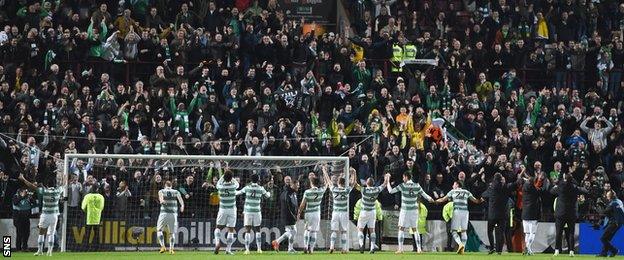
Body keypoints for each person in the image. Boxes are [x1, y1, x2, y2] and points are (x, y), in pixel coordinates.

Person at [386, 172, 434, 253]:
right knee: (415, 229)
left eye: (403, 177)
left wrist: (387, 182)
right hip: (414, 210)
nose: (402, 179)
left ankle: (400, 249)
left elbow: (391, 191)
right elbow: (424, 195)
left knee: (401, 228)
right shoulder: (417, 185)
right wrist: (430, 199)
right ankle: (419, 249)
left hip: (405, 210)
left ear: (405, 177)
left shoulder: (403, 185)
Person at [19, 174, 65, 256]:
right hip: (54, 215)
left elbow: (33, 187)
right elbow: (63, 184)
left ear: (47, 184)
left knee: (41, 233)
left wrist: (23, 179)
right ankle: (50, 252)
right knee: (51, 233)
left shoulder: (44, 191)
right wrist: (64, 178)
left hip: (45, 215)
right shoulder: (57, 191)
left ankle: (40, 251)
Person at [435, 181, 483, 254]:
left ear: (457, 185)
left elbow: (443, 199)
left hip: (457, 212)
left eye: (454, 184)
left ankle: (460, 244)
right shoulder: (466, 192)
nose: (452, 185)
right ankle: (462, 248)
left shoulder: (453, 191)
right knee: (464, 231)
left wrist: (435, 201)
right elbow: (476, 201)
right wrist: (482, 199)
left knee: (454, 231)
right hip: (465, 213)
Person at [550, 173, 588, 257]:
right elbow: (585, 191)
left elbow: (551, 191)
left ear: (565, 179)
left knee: (559, 233)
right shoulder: (574, 187)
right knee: (571, 233)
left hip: (561, 213)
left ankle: (556, 250)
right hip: (571, 214)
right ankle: (571, 251)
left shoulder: (560, 186)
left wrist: (557, 184)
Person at [481, 173, 517, 255]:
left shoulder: (491, 188)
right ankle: (499, 251)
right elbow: (514, 185)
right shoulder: (505, 187)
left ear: (494, 178)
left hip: (492, 215)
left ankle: (492, 247)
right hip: (503, 215)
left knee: (490, 231)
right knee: (501, 233)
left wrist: (488, 202)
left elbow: (483, 195)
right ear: (501, 179)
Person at [236, 174, 271, 254]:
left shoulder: (247, 187)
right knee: (258, 230)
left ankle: (247, 250)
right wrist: (268, 192)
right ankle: (259, 249)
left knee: (247, 230)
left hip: (248, 211)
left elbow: (238, 193)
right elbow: (268, 196)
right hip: (257, 211)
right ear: (258, 180)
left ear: (251, 180)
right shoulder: (261, 188)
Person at [297, 168, 330, 254]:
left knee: (307, 229)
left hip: (308, 213)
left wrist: (299, 213)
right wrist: (324, 171)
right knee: (314, 231)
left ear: (311, 183)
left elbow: (302, 204)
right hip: (316, 213)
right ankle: (311, 249)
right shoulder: (321, 191)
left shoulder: (307, 192)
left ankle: (305, 246)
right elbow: (327, 184)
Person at [357, 175, 389, 254]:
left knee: (360, 229)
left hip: (364, 211)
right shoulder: (376, 189)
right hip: (372, 212)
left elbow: (355, 185)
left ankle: (361, 244)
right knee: (372, 230)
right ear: (373, 183)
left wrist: (353, 174)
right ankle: (372, 247)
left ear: (366, 183)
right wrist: (387, 177)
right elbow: (384, 184)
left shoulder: (363, 190)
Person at [326, 168, 355, 254]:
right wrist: (353, 173)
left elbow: (329, 182)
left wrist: (325, 171)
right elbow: (353, 183)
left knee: (334, 230)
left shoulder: (334, 190)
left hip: (335, 212)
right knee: (344, 231)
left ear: (338, 183)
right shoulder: (346, 190)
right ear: (344, 183)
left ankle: (331, 247)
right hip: (344, 212)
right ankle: (344, 249)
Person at [520, 172, 549, 255]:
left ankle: (528, 250)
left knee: (527, 233)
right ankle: (528, 247)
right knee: (532, 233)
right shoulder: (534, 190)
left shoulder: (524, 188)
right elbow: (542, 190)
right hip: (533, 214)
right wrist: (545, 182)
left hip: (525, 213)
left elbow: (527, 181)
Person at [213, 170, 239, 255]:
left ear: (224, 178)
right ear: (231, 178)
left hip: (222, 209)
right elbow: (237, 184)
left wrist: (223, 175)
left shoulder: (220, 187)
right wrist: (232, 177)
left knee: (218, 227)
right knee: (231, 230)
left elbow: (217, 184)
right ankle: (228, 250)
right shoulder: (233, 186)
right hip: (232, 210)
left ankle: (217, 243)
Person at [272, 178, 299, 253]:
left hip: (292, 215)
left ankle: (288, 247)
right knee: (291, 232)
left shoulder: (293, 193)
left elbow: (294, 205)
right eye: (297, 185)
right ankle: (280, 243)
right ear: (292, 185)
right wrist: (293, 216)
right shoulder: (287, 193)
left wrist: (296, 213)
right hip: (287, 216)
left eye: (299, 185)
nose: (298, 186)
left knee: (294, 231)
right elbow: (287, 206)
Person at [157, 180, 185, 254]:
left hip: (164, 213)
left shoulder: (161, 191)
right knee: (172, 232)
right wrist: (182, 206)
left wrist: (162, 201)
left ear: (165, 185)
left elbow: (161, 199)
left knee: (159, 230)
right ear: (171, 186)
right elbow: (181, 201)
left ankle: (163, 246)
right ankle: (171, 249)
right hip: (173, 214)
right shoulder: (176, 191)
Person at [598, 190, 624, 257]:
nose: (606, 195)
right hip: (618, 223)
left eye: (607, 194)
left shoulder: (613, 203)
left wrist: (601, 205)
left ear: (610, 196)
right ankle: (604, 253)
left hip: (614, 223)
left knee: (603, 238)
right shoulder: (619, 201)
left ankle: (614, 250)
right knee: (607, 239)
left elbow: (605, 212)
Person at [81, 183, 105, 251]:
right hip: (97, 218)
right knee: (97, 234)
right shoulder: (101, 197)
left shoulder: (87, 196)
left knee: (87, 234)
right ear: (97, 189)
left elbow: (83, 207)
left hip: (89, 217)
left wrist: (86, 211)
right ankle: (97, 248)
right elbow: (102, 207)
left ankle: (86, 248)